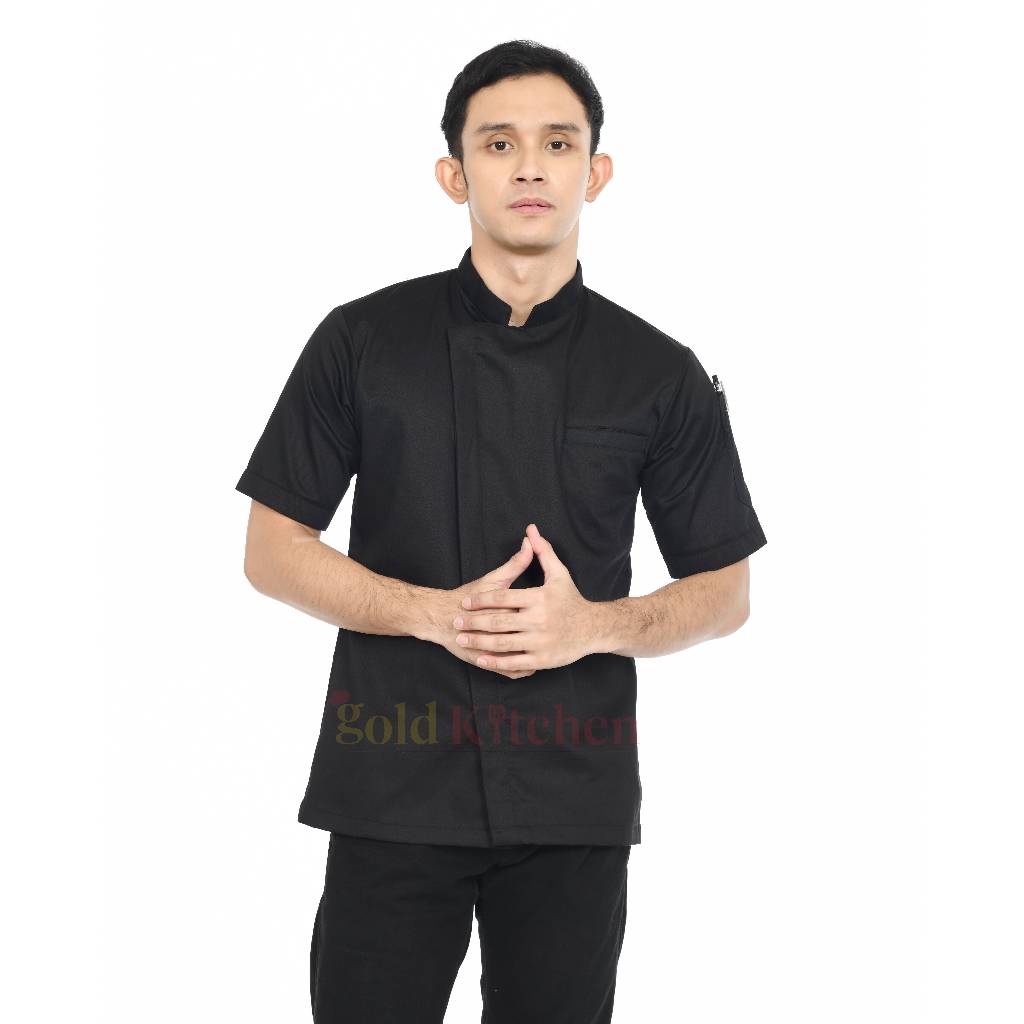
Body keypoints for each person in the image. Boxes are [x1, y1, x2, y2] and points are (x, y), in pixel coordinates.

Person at [236, 38, 767, 1024]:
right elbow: (271, 550)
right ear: (455, 174)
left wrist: (591, 626)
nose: (530, 167)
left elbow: (725, 591)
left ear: (595, 173)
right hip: (390, 779)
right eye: (498, 143)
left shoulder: (659, 372)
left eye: (558, 143)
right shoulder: (362, 341)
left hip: (573, 794)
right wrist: (429, 612)